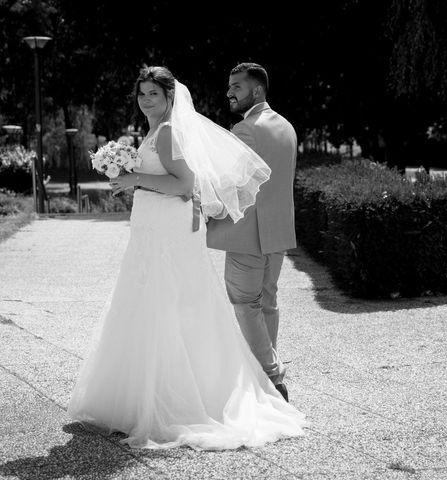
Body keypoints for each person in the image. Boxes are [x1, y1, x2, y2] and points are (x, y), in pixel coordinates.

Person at [67, 65, 307, 450]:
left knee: (172, 303)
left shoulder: (167, 132)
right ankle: (152, 392)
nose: (146, 100)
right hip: (158, 226)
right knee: (158, 303)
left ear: (169, 98)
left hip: (166, 232)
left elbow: (184, 184)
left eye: (154, 94)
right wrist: (131, 178)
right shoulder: (156, 131)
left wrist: (134, 179)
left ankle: (182, 396)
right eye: (142, 93)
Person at [206, 63, 297, 402]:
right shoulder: (287, 127)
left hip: (248, 234)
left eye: (237, 87)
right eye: (229, 86)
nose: (230, 92)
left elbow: (231, 185)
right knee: (267, 303)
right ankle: (263, 381)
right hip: (278, 233)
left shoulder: (246, 130)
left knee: (246, 304)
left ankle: (273, 378)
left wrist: (204, 206)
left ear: (256, 90)